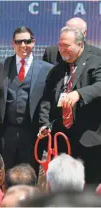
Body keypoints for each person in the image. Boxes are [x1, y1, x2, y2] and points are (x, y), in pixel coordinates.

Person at [38, 26, 101, 185]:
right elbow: (46, 100)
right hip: (63, 141)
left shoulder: (95, 62)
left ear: (80, 45)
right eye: (60, 45)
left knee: (89, 188)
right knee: (65, 187)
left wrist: (79, 94)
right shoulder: (57, 69)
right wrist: (44, 124)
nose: (62, 49)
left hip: (90, 139)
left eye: (67, 45)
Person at [0, 26, 53, 174]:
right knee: (6, 176)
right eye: (19, 42)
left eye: (27, 41)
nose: (23, 46)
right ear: (12, 44)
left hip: (32, 133)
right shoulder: (1, 65)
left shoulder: (46, 69)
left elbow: (49, 101)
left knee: (29, 175)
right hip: (6, 132)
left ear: (33, 42)